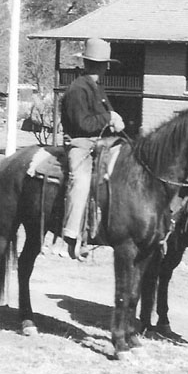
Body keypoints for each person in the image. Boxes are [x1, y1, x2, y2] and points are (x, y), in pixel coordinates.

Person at [60, 38, 124, 261]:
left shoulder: (97, 88)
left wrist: (113, 122)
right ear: (99, 65)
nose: (104, 68)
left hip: (101, 145)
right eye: (103, 64)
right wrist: (109, 117)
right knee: (82, 181)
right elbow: (83, 124)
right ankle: (72, 234)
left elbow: (103, 119)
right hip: (81, 144)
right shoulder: (78, 89)